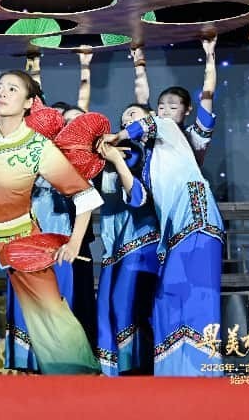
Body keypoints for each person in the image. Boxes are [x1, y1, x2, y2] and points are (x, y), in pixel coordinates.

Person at [0, 70, 103, 375]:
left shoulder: (38, 147)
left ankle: (79, 377)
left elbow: (85, 195)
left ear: (29, 102)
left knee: (50, 307)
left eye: (12, 89)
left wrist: (75, 242)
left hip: (20, 233)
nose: (2, 93)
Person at [104, 102, 224, 376]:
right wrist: (118, 161)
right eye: (123, 119)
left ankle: (204, 372)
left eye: (131, 114)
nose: (127, 121)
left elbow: (147, 125)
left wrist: (117, 136)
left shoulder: (167, 129)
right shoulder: (148, 164)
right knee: (167, 297)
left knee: (198, 295)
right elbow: (137, 197)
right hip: (175, 235)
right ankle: (175, 373)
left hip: (197, 220)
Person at [95, 136, 160, 375]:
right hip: (114, 246)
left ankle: (137, 367)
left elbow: (138, 198)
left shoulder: (144, 156)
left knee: (127, 306)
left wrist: (117, 159)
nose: (127, 121)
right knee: (108, 309)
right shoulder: (102, 161)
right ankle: (116, 371)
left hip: (141, 242)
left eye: (132, 118)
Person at [132, 36, 218, 166]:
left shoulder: (196, 136)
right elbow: (142, 101)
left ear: (187, 109)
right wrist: (139, 63)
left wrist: (210, 54)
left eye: (173, 108)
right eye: (161, 108)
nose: (165, 112)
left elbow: (208, 93)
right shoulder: (152, 130)